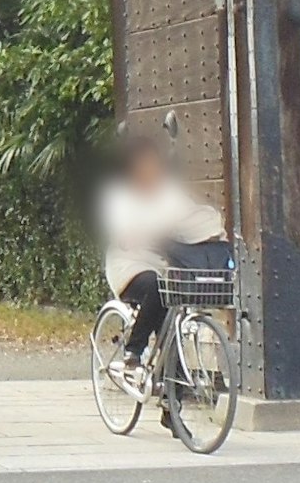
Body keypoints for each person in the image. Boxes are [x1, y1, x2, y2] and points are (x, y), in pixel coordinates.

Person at [97, 124, 226, 387]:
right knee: (157, 287)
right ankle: (133, 353)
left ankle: (172, 401)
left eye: (152, 163)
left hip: (166, 262)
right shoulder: (119, 196)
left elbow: (188, 218)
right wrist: (135, 234)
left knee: (173, 317)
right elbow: (122, 231)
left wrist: (207, 230)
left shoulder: (169, 192)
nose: (149, 169)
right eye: (142, 164)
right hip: (130, 265)